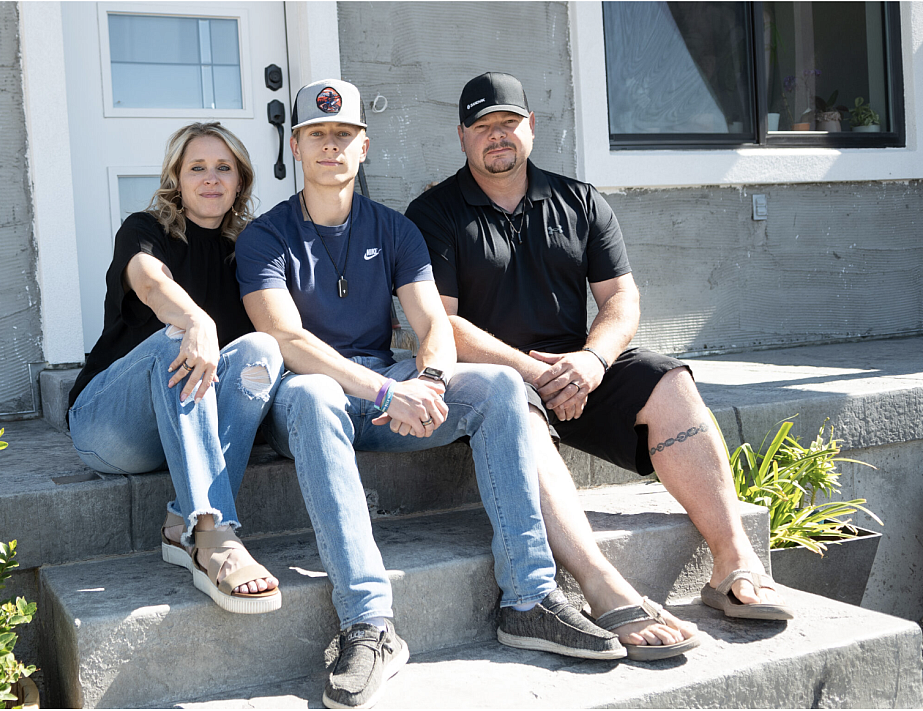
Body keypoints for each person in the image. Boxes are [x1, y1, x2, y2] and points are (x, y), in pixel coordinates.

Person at [237, 79, 625, 711]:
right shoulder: (265, 236)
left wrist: (434, 381)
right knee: (310, 394)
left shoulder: (394, 228)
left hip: (385, 387)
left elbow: (434, 325)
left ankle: (527, 598)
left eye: (344, 136)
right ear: (296, 147)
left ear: (364, 147)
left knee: (500, 383)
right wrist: (391, 387)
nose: (331, 147)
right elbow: (284, 337)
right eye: (317, 136)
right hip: (310, 398)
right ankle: (368, 623)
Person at [406, 72, 793, 657]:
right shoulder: (433, 213)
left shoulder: (580, 200)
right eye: (482, 127)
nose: (497, 137)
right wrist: (537, 374)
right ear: (462, 137)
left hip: (578, 372)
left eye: (508, 123)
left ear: (531, 127)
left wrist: (590, 360)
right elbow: (443, 325)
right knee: (514, 404)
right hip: (493, 383)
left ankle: (732, 563)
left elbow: (621, 300)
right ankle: (601, 584)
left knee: (668, 380)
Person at [67, 122, 285, 614]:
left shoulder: (247, 249)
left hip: (181, 428)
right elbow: (149, 284)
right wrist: (196, 321)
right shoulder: (145, 230)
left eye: (224, 168)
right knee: (176, 338)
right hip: (109, 425)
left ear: (240, 181)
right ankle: (210, 533)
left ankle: (178, 520)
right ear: (177, 180)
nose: (211, 178)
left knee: (263, 351)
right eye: (197, 168)